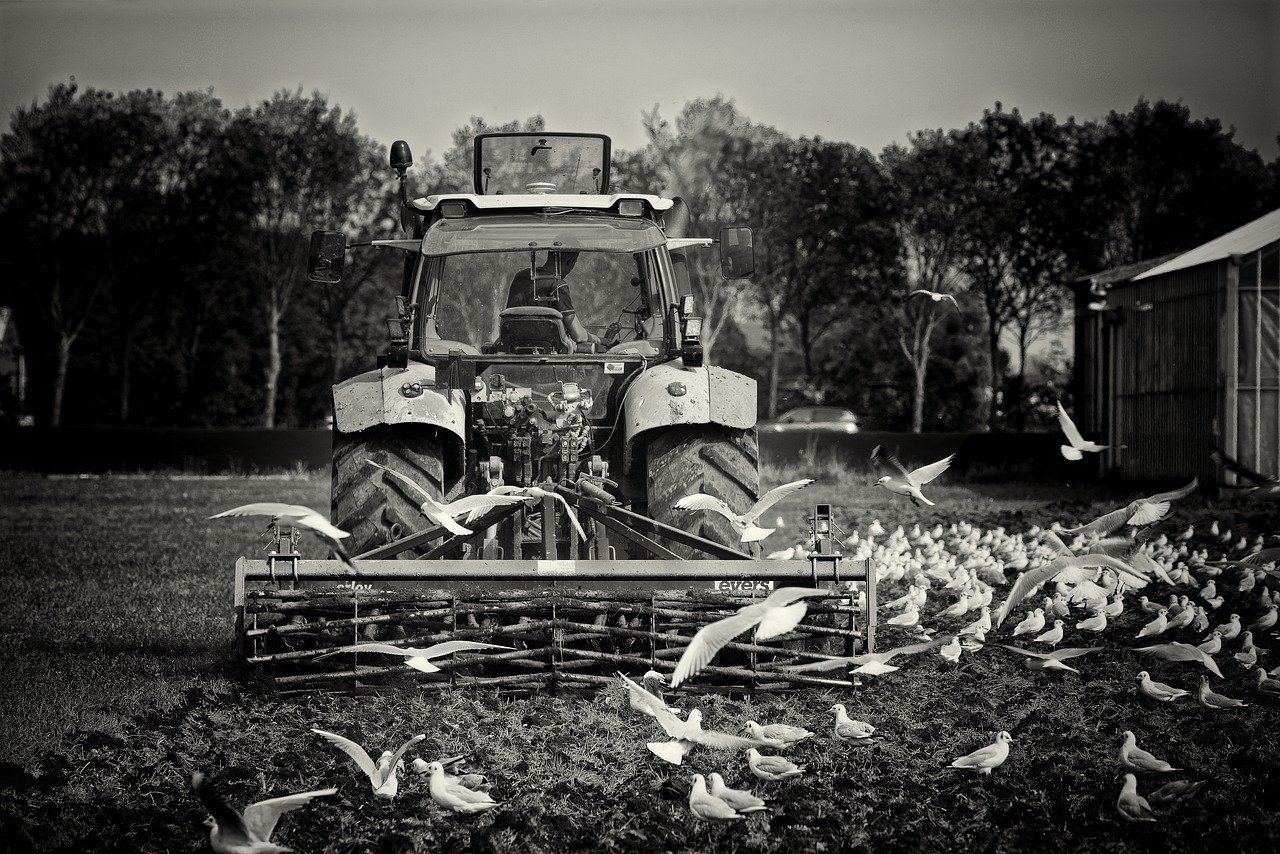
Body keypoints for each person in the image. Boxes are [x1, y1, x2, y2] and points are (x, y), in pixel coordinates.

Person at [505, 251, 598, 344]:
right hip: (548, 352)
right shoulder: (558, 286)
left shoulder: (521, 277)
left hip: (513, 348)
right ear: (570, 261)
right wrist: (600, 340)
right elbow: (578, 336)